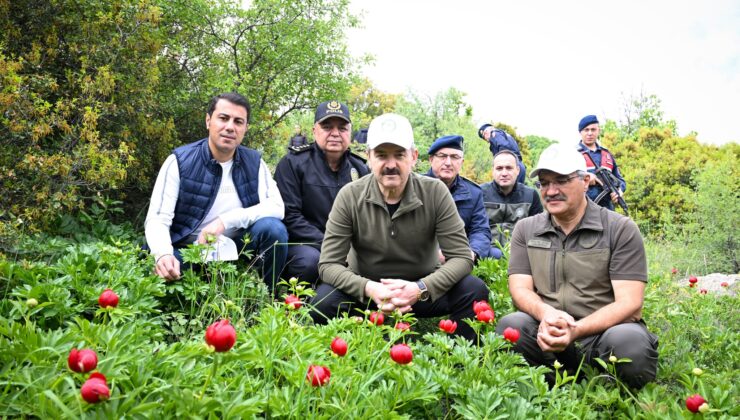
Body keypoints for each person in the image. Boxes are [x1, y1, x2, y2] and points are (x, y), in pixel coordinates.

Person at [310, 113, 490, 341]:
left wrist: (421, 288)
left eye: (399, 154)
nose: (391, 165)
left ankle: (459, 360)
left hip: (422, 293)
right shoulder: (349, 195)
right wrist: (370, 289)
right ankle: (343, 356)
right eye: (382, 155)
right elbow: (328, 264)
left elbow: (462, 258)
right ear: (368, 157)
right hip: (366, 294)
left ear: (414, 157)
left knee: (474, 291)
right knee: (323, 302)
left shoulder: (435, 192)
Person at [495, 143, 658, 389]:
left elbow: (630, 303)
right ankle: (544, 388)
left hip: (602, 335)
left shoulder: (620, 229)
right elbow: (519, 289)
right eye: (544, 183)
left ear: (585, 181)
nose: (551, 191)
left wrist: (576, 330)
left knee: (630, 343)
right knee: (512, 325)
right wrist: (546, 314)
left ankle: (608, 391)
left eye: (561, 180)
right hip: (546, 333)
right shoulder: (526, 229)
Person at [145, 92, 288, 291]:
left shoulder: (255, 163)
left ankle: (268, 296)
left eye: (238, 121)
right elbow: (158, 219)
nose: (230, 127)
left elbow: (277, 207)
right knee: (153, 266)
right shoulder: (179, 161)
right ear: (208, 121)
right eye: (223, 118)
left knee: (274, 229)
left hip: (236, 249)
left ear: (245, 129)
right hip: (188, 251)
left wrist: (225, 221)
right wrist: (163, 253)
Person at [275, 101, 369, 285]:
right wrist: (331, 245)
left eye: (342, 128)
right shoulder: (292, 163)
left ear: (350, 132)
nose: (335, 133)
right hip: (305, 244)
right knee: (310, 262)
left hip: (348, 246)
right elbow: (290, 216)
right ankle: (296, 307)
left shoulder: (361, 168)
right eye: (327, 127)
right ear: (314, 131)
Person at [424, 134, 497, 261]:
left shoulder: (473, 193)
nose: (448, 162)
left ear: (462, 162)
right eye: (442, 156)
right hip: (422, 255)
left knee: (495, 254)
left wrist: (472, 253)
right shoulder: (416, 186)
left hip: (459, 255)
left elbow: (480, 230)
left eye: (454, 157)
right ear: (431, 159)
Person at [480, 150, 543, 249]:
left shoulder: (531, 196)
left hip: (519, 253)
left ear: (518, 170)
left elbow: (538, 231)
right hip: (485, 253)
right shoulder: (479, 193)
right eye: (499, 168)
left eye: (509, 168)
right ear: (493, 171)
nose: (504, 173)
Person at [575, 115, 626, 211]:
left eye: (593, 130)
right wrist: (584, 177)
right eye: (586, 130)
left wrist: (619, 191)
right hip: (581, 211)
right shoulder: (573, 154)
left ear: (599, 131)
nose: (590, 133)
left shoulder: (607, 154)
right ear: (580, 132)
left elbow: (620, 180)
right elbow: (563, 179)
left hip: (607, 211)